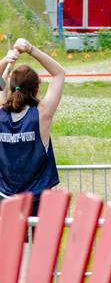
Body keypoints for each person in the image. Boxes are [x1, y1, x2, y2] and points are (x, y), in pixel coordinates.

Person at [0, 38, 66, 216]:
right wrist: (30, 49)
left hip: (6, 198)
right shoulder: (42, 114)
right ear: (36, 88)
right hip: (39, 199)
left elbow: (0, 83)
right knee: (41, 237)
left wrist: (6, 61)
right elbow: (59, 73)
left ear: (11, 87)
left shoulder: (1, 113)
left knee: (10, 236)